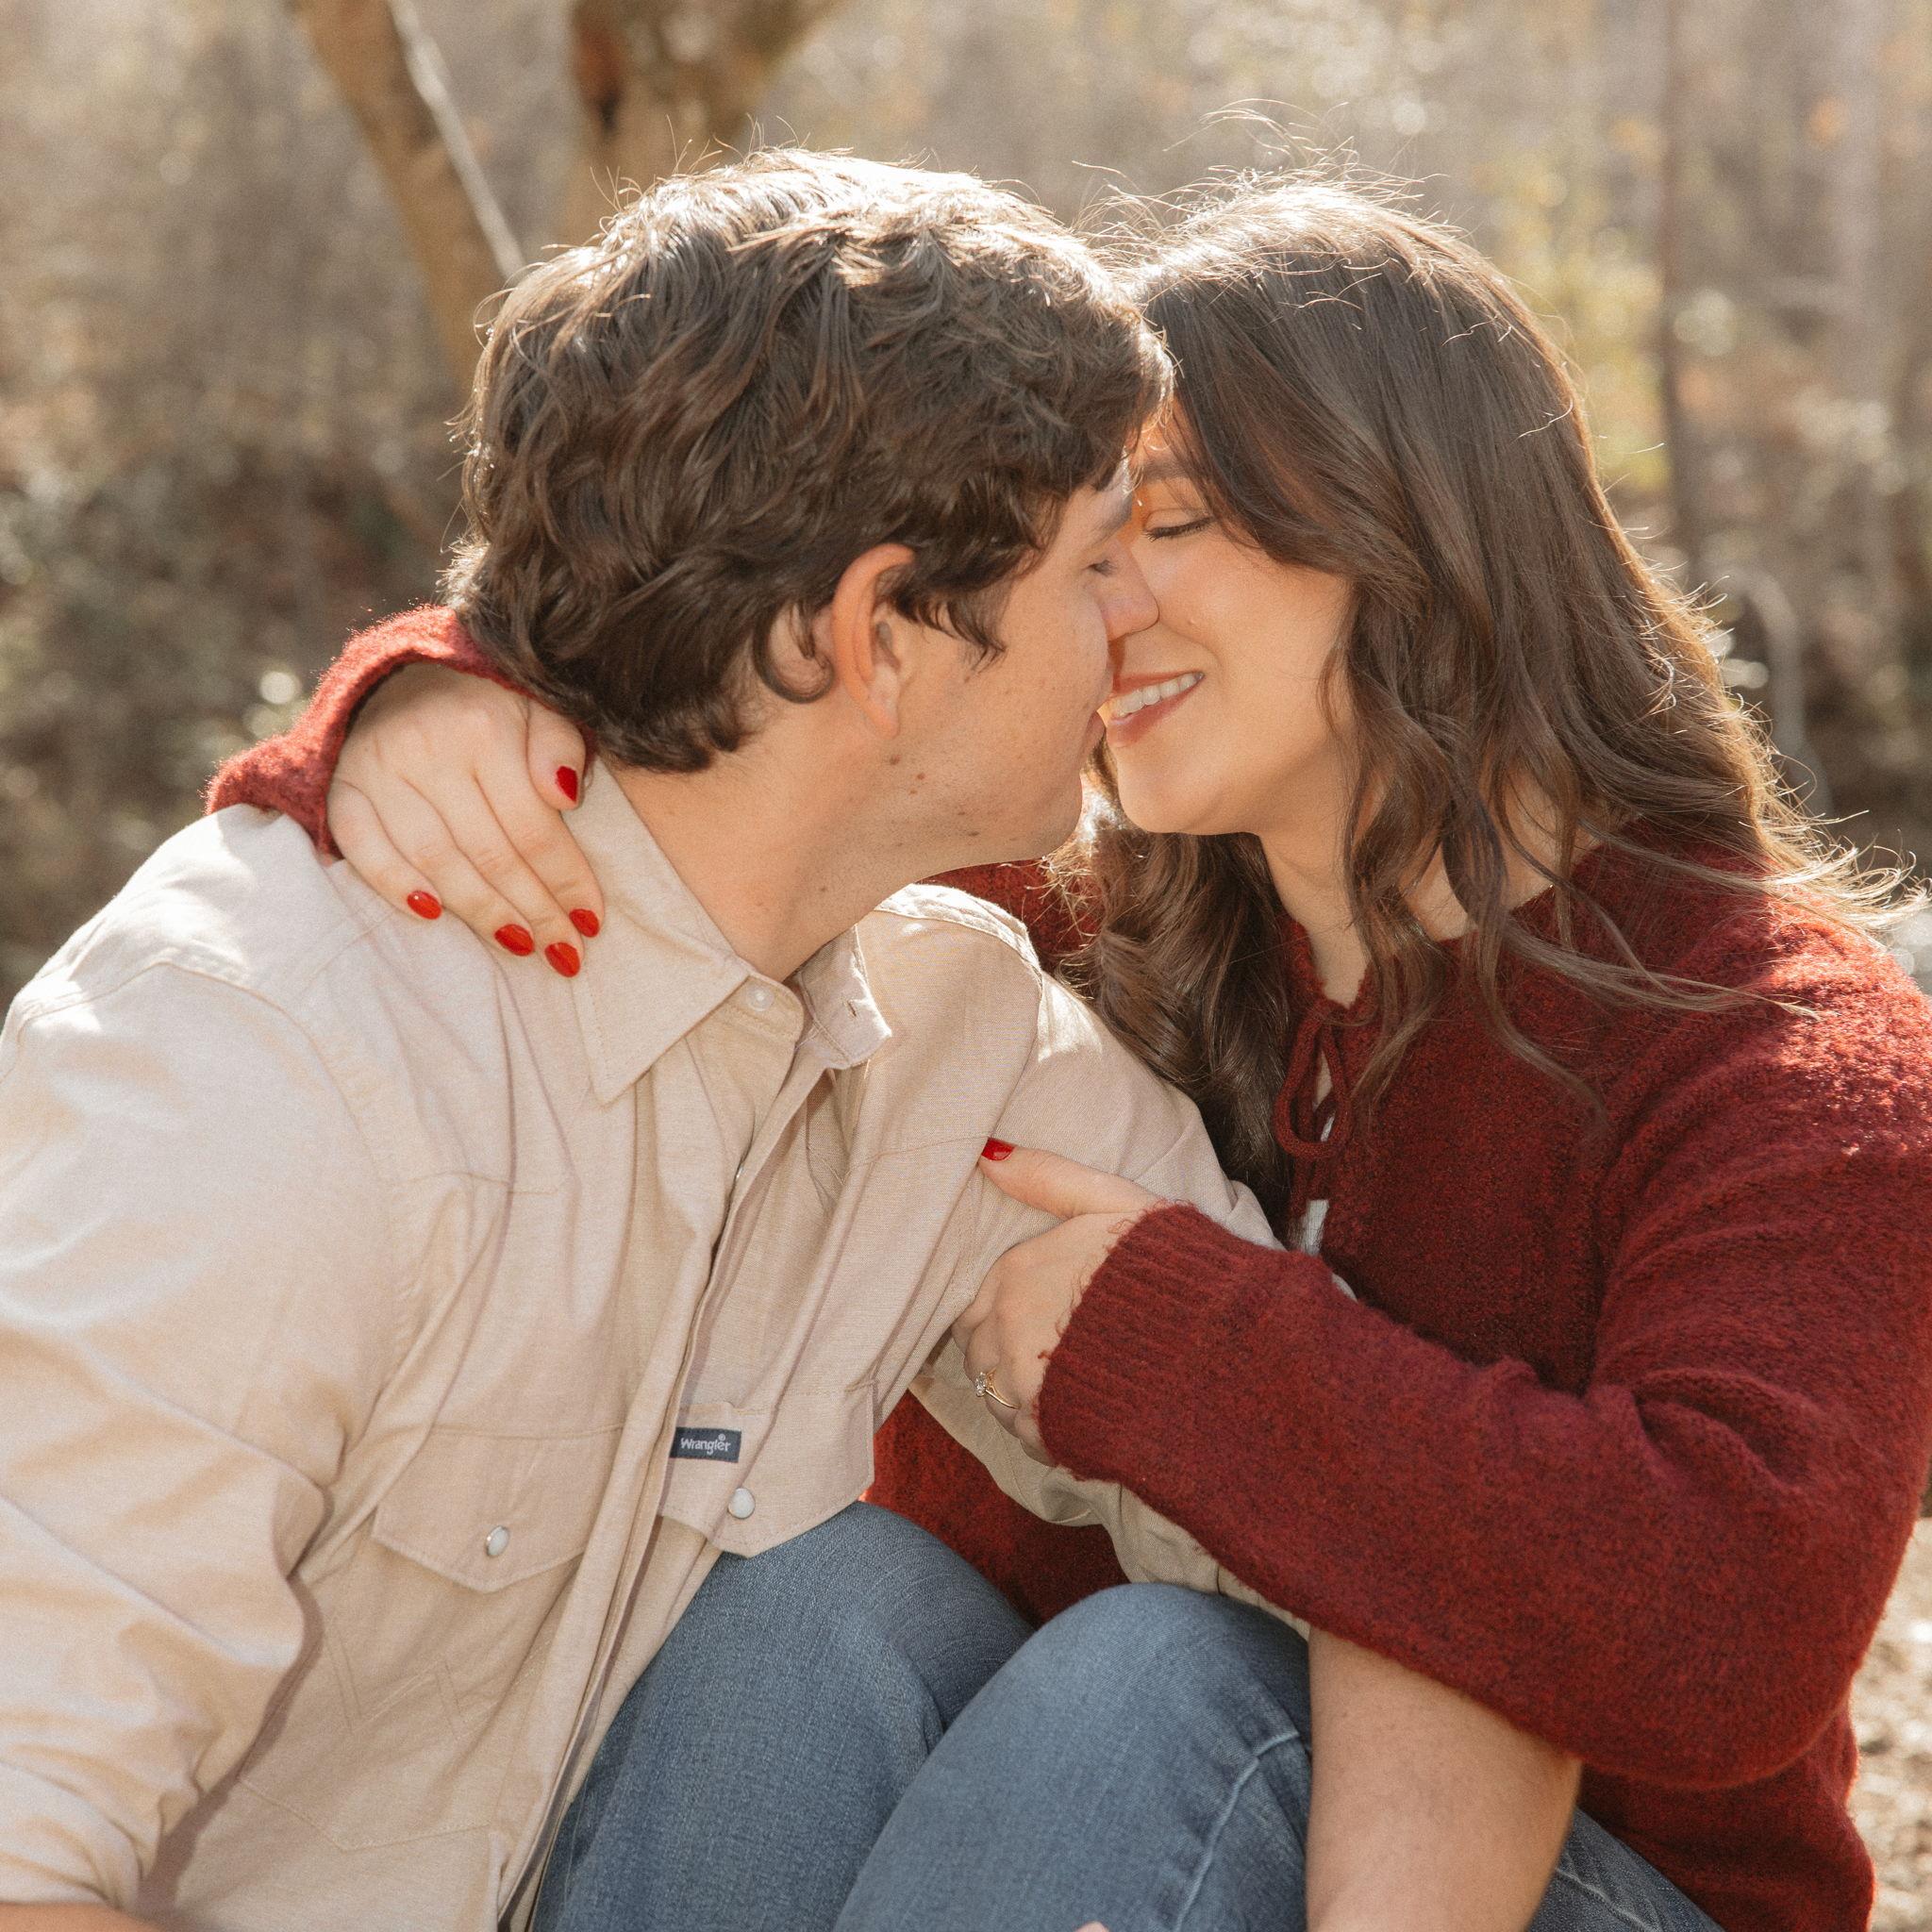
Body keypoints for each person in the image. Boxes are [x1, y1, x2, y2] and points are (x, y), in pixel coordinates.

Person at [249, 173, 1932, 1932]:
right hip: (1075, 1851)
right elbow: (744, 749)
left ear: (1410, 521)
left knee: (1157, 1681)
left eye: (1171, 524)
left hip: (1592, 1894)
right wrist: (433, 695)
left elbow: (1726, 1616)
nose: (1099, 611)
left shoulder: (1774, 1047)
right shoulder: (1062, 916)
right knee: (808, 1612)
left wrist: (1176, 1339)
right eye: (1084, 541)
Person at [0, 154, 1580, 1932]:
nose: (1132, 616)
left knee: (850, 1616)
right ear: (881, 638)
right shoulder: (255, 1062)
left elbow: (1401, 1557)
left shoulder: (948, 1036)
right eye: (1089, 559)